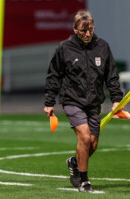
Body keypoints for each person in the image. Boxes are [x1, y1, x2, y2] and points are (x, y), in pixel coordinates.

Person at [44, 10, 123, 192]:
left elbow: (111, 75)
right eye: (83, 31)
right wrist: (49, 102)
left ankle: (74, 161)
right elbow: (54, 76)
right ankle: (84, 181)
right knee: (85, 137)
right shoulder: (64, 48)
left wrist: (116, 99)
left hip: (94, 102)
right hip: (72, 100)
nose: (88, 34)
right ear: (74, 29)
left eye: (91, 30)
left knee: (92, 144)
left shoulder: (103, 46)